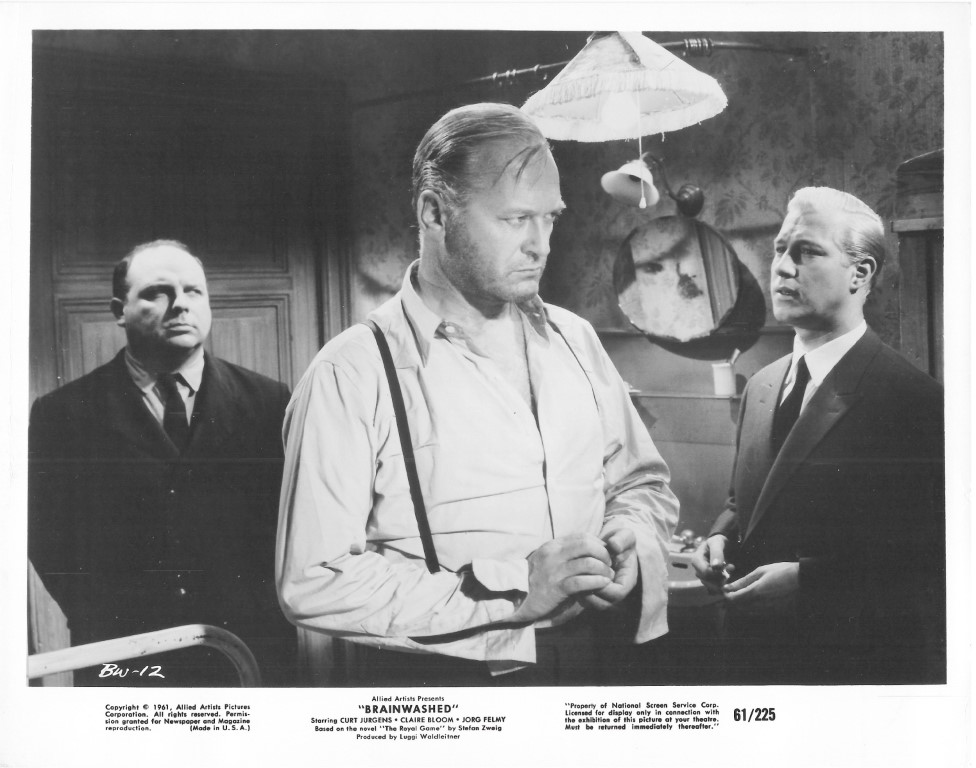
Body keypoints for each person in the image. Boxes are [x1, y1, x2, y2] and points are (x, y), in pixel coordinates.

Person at [276, 103, 679, 686]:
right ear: (435, 212)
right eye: (516, 219)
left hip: (596, 664)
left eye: (550, 218)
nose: (541, 245)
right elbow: (313, 581)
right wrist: (515, 590)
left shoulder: (576, 339)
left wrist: (631, 538)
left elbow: (642, 484)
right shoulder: (351, 374)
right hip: (448, 687)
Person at [692, 187, 945, 684]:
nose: (783, 268)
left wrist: (811, 581)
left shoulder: (913, 399)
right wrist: (719, 535)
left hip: (849, 668)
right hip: (750, 663)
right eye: (780, 250)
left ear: (860, 273)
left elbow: (931, 559)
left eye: (807, 252)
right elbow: (746, 501)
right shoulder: (762, 385)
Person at [29, 240, 296, 686]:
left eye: (193, 291)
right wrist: (102, 612)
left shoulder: (270, 402)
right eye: (157, 292)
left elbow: (292, 526)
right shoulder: (63, 412)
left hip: (250, 649)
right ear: (119, 310)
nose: (180, 305)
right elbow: (45, 534)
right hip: (123, 653)